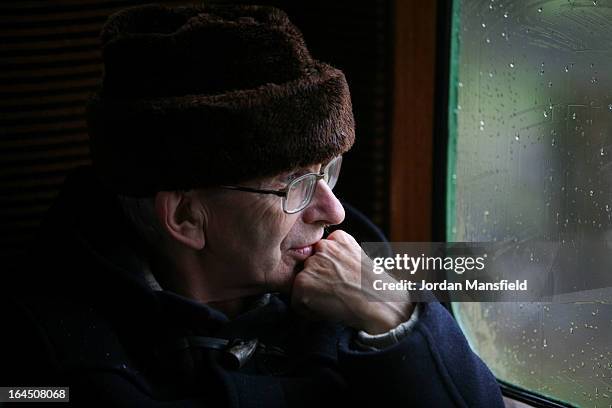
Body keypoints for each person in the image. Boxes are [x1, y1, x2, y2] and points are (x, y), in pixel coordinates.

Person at [1, 4, 504, 407]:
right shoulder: (48, 362)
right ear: (184, 217)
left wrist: (393, 316)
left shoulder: (352, 272)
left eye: (328, 171)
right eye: (293, 185)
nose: (334, 213)